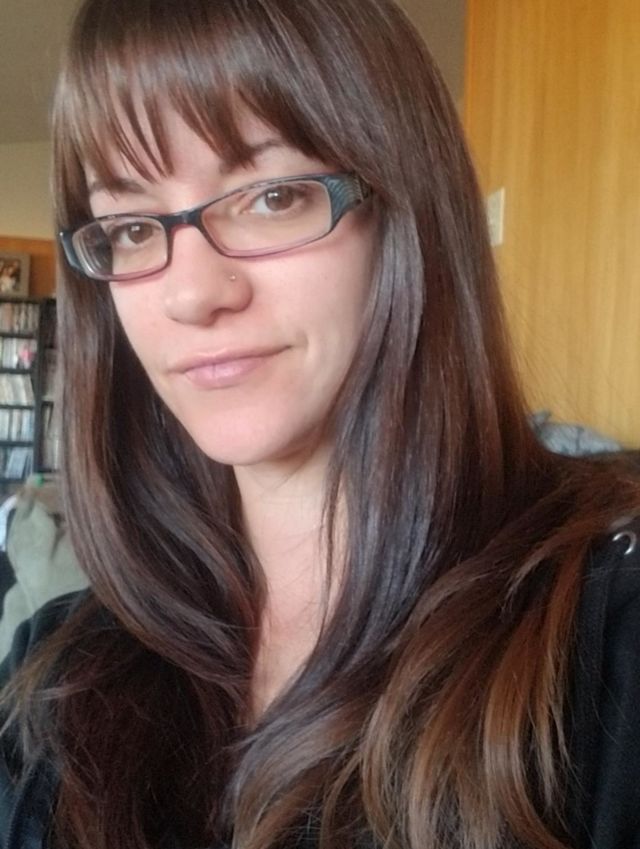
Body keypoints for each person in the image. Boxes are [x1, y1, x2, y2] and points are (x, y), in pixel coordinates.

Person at [1, 0, 639, 848]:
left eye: (273, 197)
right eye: (131, 227)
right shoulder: (58, 672)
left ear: (402, 209)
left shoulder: (606, 639)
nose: (191, 294)